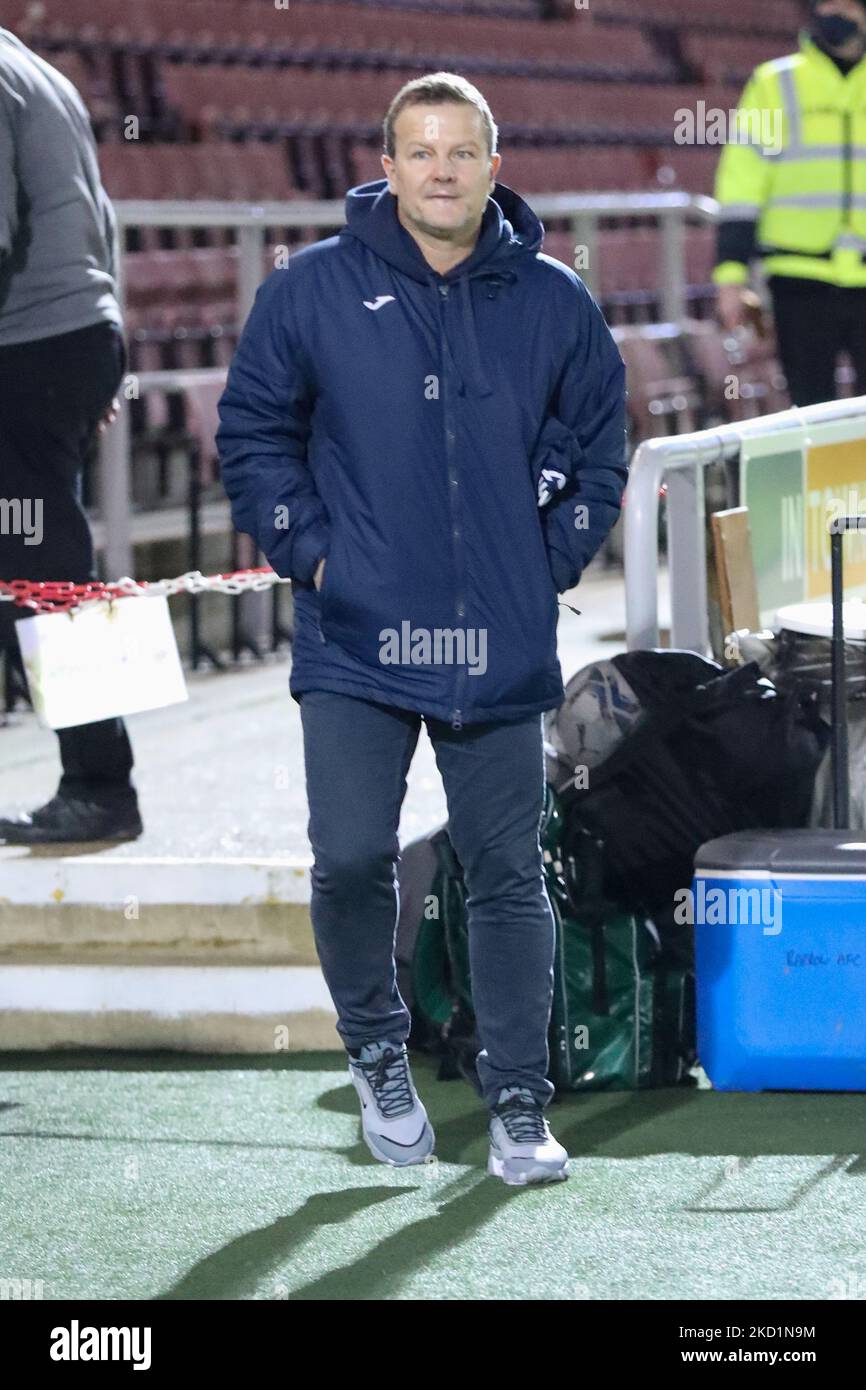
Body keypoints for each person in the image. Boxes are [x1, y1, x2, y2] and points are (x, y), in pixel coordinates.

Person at [217, 72, 627, 1186]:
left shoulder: (552, 300)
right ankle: (376, 1054)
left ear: (495, 165)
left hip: (497, 644)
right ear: (386, 165)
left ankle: (517, 1103)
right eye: (420, 151)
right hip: (355, 636)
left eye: (461, 151)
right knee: (349, 857)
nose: (440, 170)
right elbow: (252, 430)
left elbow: (598, 447)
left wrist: (541, 563)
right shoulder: (309, 291)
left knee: (504, 873)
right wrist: (311, 553)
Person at [0, 27, 141, 845]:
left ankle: (100, 784)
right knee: (40, 567)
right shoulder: (34, 66)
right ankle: (96, 779)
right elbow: (103, 215)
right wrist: (106, 345)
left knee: (47, 576)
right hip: (69, 338)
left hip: (27, 344)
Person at [714, 0, 866, 406]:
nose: (835, 14)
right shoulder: (774, 83)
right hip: (798, 280)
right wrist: (732, 275)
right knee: (811, 414)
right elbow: (742, 183)